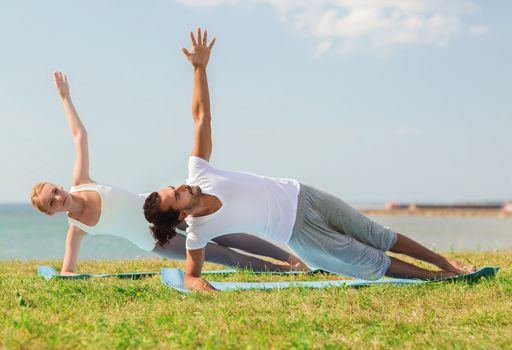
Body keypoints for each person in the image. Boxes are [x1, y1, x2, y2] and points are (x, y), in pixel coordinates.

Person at [143, 28, 477, 292]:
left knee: (378, 234)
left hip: (303, 194)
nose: (183, 186)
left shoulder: (199, 171)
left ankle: (444, 261)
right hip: (298, 233)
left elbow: (202, 118)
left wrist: (199, 70)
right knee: (368, 260)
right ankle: (433, 278)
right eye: (178, 195)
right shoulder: (198, 232)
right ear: (183, 213)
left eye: (176, 187)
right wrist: (204, 289)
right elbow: (190, 275)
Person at [30, 71, 306, 275]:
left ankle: (293, 260)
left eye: (54, 191)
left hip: (164, 209)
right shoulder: (75, 229)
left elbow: (80, 135)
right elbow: (67, 272)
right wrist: (63, 274)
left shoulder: (80, 183)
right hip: (153, 241)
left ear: (59, 186)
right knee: (218, 254)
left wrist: (64, 97)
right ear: (50, 213)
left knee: (228, 234)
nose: (58, 198)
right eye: (51, 203)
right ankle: (282, 272)